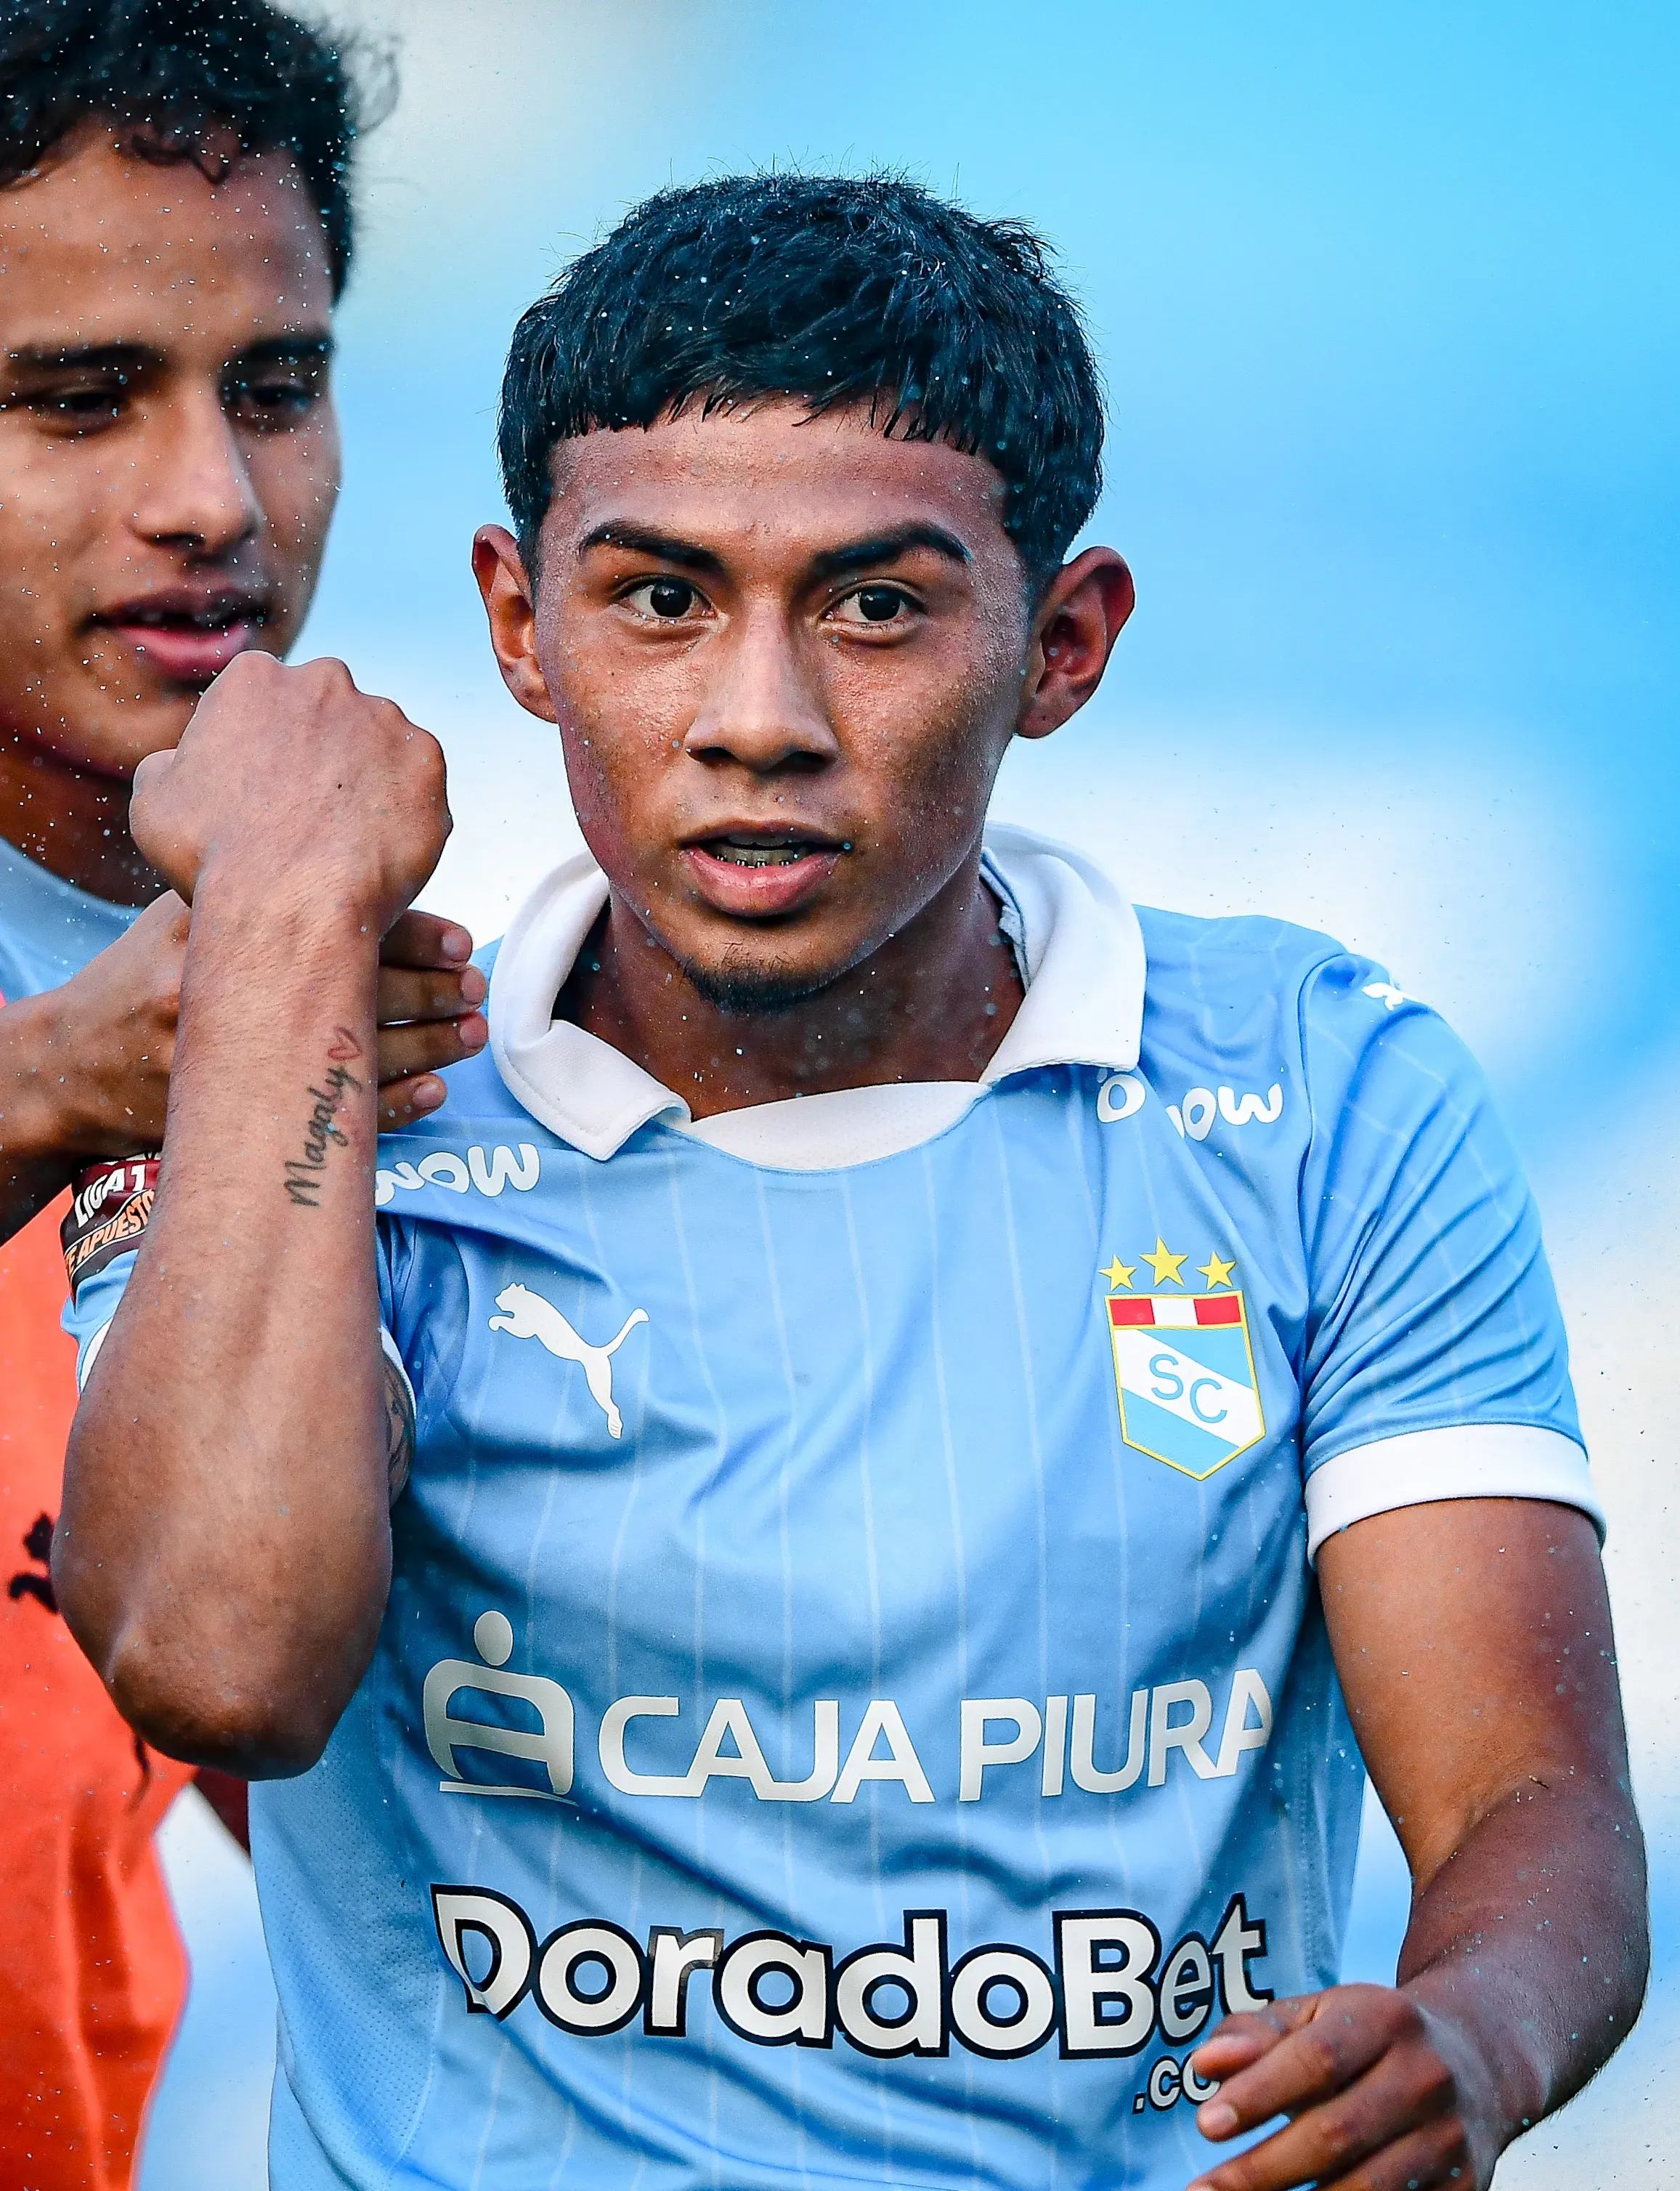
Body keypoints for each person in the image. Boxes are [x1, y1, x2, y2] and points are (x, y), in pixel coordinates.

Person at [54, 174, 1646, 2191]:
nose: (758, 723)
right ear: (516, 626)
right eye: (657, 600)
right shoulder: (336, 1088)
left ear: (1064, 643)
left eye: (877, 607)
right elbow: (216, 1657)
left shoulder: (1319, 1092)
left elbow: (1531, 1797)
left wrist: (1474, 2040)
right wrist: (282, 919)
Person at [0, 5, 485, 2182]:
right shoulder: (140, 1032)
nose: (212, 500)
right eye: (78, 402)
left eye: (274, 389)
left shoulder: (324, 1002)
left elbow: (256, 1692)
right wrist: (47, 1091)